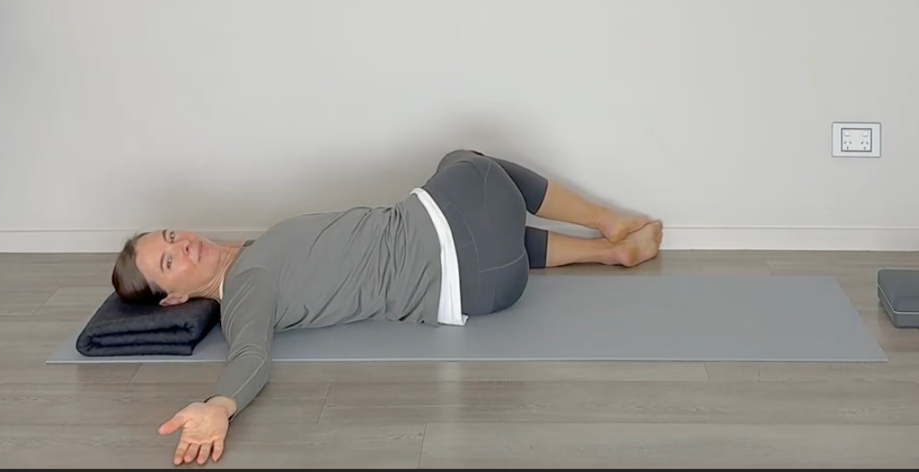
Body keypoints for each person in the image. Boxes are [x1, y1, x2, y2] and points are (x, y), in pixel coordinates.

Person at [110, 149, 663, 466]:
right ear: (176, 297)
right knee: (468, 160)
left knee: (493, 217)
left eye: (170, 235)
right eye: (168, 263)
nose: (182, 245)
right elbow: (250, 352)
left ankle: (610, 253)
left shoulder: (251, 258)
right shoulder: (246, 287)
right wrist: (219, 404)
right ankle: (603, 221)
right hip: (461, 246)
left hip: (490, 284)